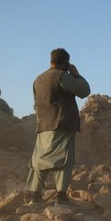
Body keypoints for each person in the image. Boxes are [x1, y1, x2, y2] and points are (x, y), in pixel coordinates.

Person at [24, 48, 90, 205]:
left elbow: (36, 103)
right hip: (61, 123)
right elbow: (84, 90)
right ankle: (61, 196)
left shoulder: (38, 79)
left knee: (40, 159)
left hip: (43, 125)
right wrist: (76, 74)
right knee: (64, 159)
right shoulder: (62, 76)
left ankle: (34, 195)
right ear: (66, 63)